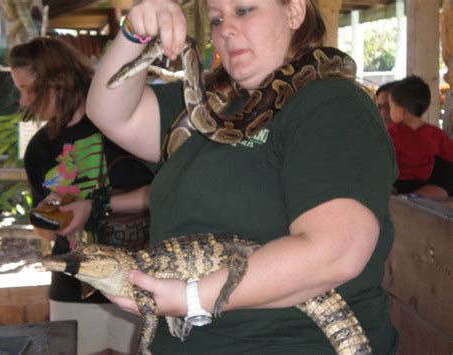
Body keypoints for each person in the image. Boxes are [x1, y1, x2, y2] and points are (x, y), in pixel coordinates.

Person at [87, 0, 399, 353]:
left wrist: (191, 297)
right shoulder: (208, 106)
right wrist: (135, 31)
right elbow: (108, 112)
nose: (226, 29)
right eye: (217, 19)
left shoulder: (332, 104)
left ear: (295, 11)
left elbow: (334, 252)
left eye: (245, 10)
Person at [9, 37, 154, 355]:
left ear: (57, 82)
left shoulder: (119, 125)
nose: (22, 102)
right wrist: (50, 220)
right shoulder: (40, 148)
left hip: (139, 281)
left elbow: (164, 194)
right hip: (72, 285)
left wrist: (97, 204)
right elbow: (43, 226)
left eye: (27, 89)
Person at [388, 75, 453, 198]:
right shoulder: (436, 134)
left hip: (398, 185)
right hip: (428, 184)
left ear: (400, 111)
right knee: (441, 190)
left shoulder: (390, 133)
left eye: (391, 106)